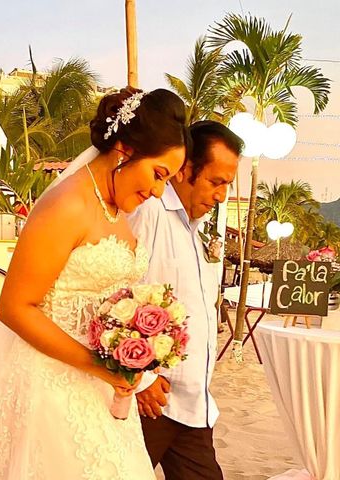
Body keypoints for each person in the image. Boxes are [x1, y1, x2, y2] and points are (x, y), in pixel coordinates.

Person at [0, 87, 190, 479]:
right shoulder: (68, 204)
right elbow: (15, 307)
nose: (158, 191)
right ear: (125, 150)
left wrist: (133, 346)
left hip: (100, 389)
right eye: (158, 175)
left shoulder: (117, 211)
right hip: (50, 384)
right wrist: (101, 366)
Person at [130, 120, 243, 480]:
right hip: (152, 403)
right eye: (216, 182)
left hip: (194, 406)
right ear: (186, 170)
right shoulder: (148, 212)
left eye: (228, 184)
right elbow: (115, 294)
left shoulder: (195, 231)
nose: (222, 195)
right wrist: (142, 379)